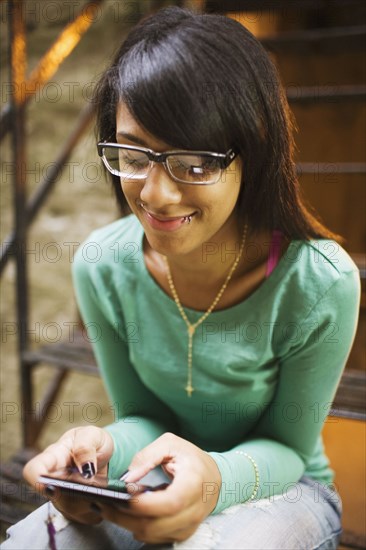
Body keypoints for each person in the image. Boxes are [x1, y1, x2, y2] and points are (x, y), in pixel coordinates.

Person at [1, 6, 361, 550]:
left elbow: (288, 450)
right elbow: (142, 419)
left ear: (253, 152)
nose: (156, 195)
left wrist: (211, 480)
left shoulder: (318, 283)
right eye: (133, 154)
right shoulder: (102, 265)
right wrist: (100, 444)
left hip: (288, 489)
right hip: (158, 478)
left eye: (194, 163)